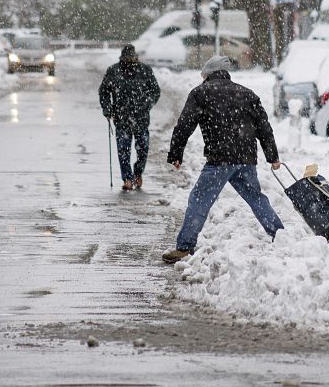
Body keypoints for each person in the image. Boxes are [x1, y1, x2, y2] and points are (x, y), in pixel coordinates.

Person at [162, 54, 283, 263]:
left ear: (207, 74)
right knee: (256, 198)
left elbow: (184, 125)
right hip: (245, 158)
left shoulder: (201, 93)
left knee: (199, 200)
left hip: (219, 159)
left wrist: (176, 153)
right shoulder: (247, 94)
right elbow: (264, 127)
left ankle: (184, 247)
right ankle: (280, 235)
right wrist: (272, 156)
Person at [99, 44, 161, 191]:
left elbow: (155, 91)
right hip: (121, 117)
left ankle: (138, 172)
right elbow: (103, 91)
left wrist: (146, 104)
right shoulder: (114, 71)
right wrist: (107, 109)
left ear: (136, 57)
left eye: (132, 58)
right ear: (122, 58)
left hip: (141, 118)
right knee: (123, 150)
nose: (129, 61)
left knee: (143, 149)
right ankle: (127, 178)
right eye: (127, 58)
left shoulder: (145, 70)